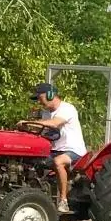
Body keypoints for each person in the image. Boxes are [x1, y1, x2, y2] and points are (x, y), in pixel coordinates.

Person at [20, 82, 87, 213]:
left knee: (58, 161)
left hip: (73, 151)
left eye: (40, 98)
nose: (39, 102)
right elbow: (41, 128)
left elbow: (55, 123)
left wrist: (31, 122)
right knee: (31, 161)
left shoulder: (67, 108)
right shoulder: (46, 113)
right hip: (55, 150)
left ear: (50, 95)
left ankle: (63, 201)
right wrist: (25, 126)